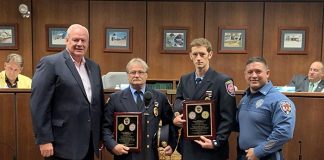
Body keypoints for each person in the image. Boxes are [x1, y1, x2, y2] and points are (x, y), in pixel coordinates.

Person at [30, 24, 105, 160]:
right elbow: (39, 104)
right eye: (76, 40)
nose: (80, 44)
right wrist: (44, 139)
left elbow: (97, 103)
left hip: (88, 143)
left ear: (88, 43)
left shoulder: (94, 67)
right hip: (61, 144)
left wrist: (98, 136)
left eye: (83, 41)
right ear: (66, 40)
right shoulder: (50, 63)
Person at [172, 38, 237, 160]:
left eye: (202, 54)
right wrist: (176, 117)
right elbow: (178, 101)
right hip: (189, 146)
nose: (198, 58)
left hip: (211, 147)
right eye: (195, 54)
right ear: (190, 56)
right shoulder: (184, 79)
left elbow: (228, 117)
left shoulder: (223, 81)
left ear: (210, 55)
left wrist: (216, 142)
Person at [102, 58, 177, 160]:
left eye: (140, 72)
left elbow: (170, 123)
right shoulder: (115, 99)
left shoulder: (159, 97)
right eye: (133, 72)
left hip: (151, 154)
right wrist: (113, 145)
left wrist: (171, 144)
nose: (136, 75)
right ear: (128, 75)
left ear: (146, 75)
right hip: (125, 155)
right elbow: (105, 127)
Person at [237, 57, 296, 160]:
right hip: (244, 155)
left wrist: (258, 151)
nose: (254, 75)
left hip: (266, 156)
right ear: (245, 75)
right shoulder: (244, 99)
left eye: (258, 71)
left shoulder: (280, 101)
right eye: (250, 72)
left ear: (267, 73)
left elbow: (284, 133)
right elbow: (238, 124)